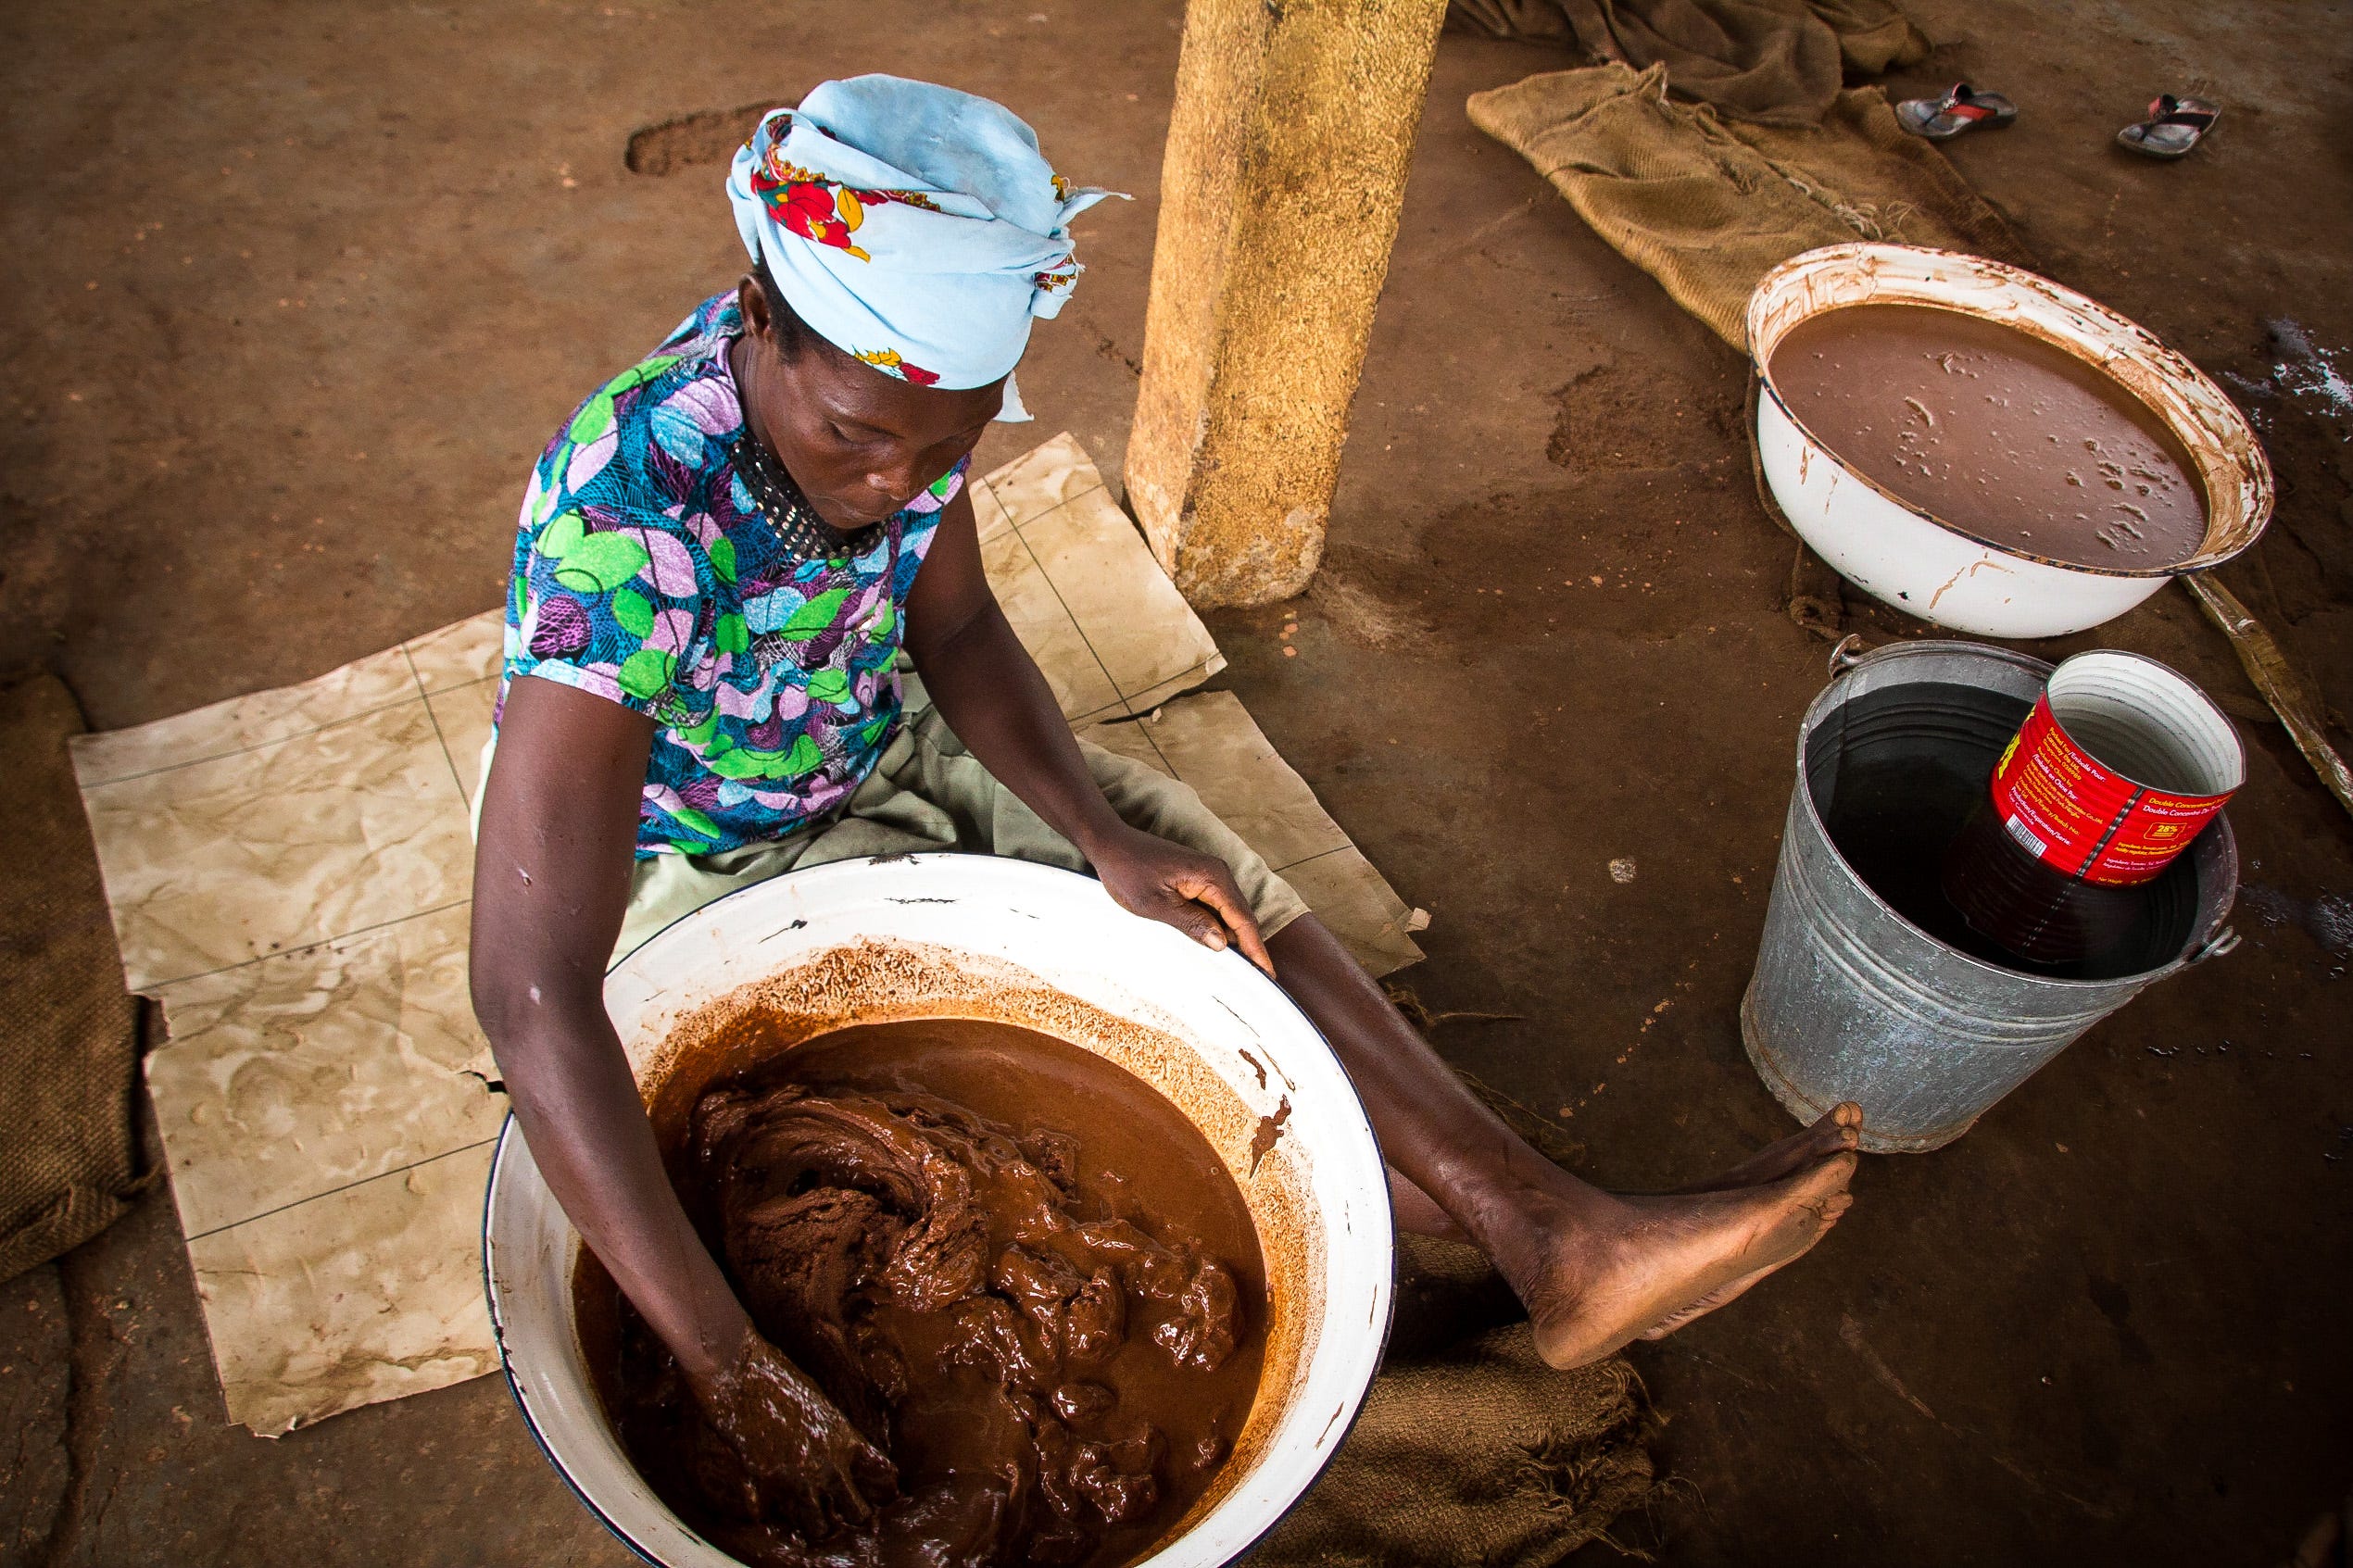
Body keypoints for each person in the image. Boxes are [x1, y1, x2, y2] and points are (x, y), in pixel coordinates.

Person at [468, 73, 1858, 1538]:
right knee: (776, 1115)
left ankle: (1540, 1223)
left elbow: (958, 637)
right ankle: (1466, 1202)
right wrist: (732, 1363)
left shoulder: (911, 410)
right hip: (694, 855)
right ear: (760, 317)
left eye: (939, 454)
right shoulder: (624, 521)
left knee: (1194, 873)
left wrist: (1102, 833)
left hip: (868, 743)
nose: (892, 485)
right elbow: (528, 989)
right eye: (857, 440)